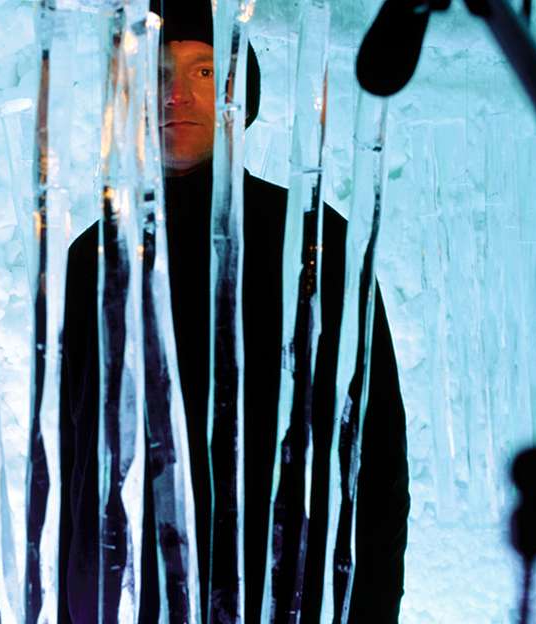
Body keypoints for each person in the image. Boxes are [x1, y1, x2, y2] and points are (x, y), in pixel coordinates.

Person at [56, 2, 410, 621]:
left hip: (284, 598)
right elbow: (77, 459)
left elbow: (376, 451)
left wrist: (372, 609)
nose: (177, 95)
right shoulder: (94, 257)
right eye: (159, 74)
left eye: (203, 71)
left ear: (239, 92)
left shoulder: (315, 240)